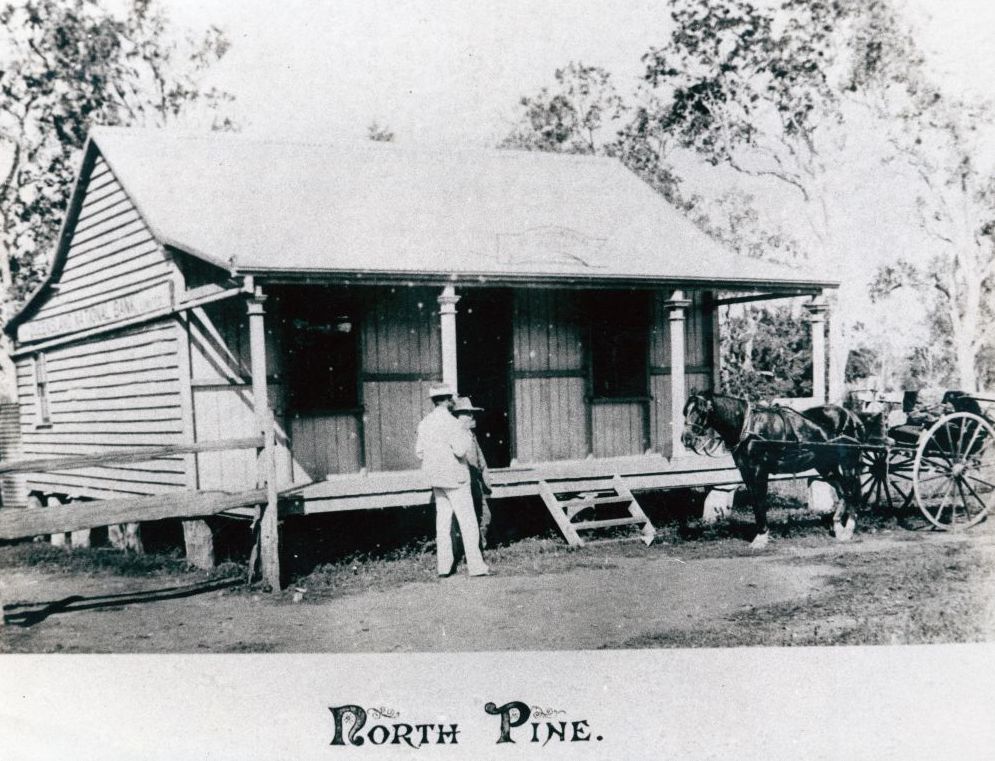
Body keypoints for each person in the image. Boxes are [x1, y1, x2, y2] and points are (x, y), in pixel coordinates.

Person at [415, 383, 490, 578]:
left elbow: (419, 452)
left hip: (436, 478)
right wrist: (465, 433)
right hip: (456, 478)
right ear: (448, 400)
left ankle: (444, 567)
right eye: (452, 399)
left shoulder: (424, 423)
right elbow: (460, 450)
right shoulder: (452, 423)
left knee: (443, 522)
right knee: (468, 522)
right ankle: (476, 567)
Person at [452, 396, 492, 549]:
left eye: (471, 413)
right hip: (463, 484)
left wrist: (486, 481)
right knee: (467, 518)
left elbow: (481, 460)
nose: (471, 417)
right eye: (467, 413)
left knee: (485, 515)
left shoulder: (471, 435)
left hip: (476, 484)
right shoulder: (455, 435)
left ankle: (479, 547)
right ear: (458, 416)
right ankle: (469, 550)